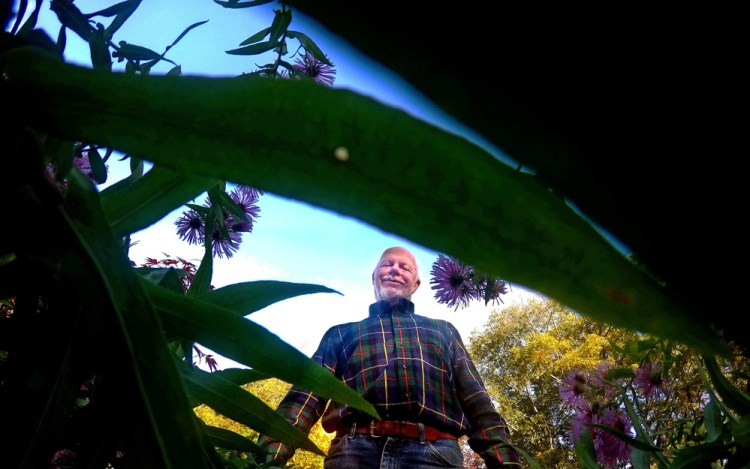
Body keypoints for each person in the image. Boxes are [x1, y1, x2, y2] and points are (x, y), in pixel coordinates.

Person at [257, 246, 522, 468]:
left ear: (416, 284)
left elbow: (478, 403)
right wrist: (265, 460)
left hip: (434, 454)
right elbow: (305, 398)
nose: (395, 269)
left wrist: (506, 462)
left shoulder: (443, 331)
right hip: (353, 453)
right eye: (387, 264)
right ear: (374, 276)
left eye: (404, 267)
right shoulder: (340, 334)